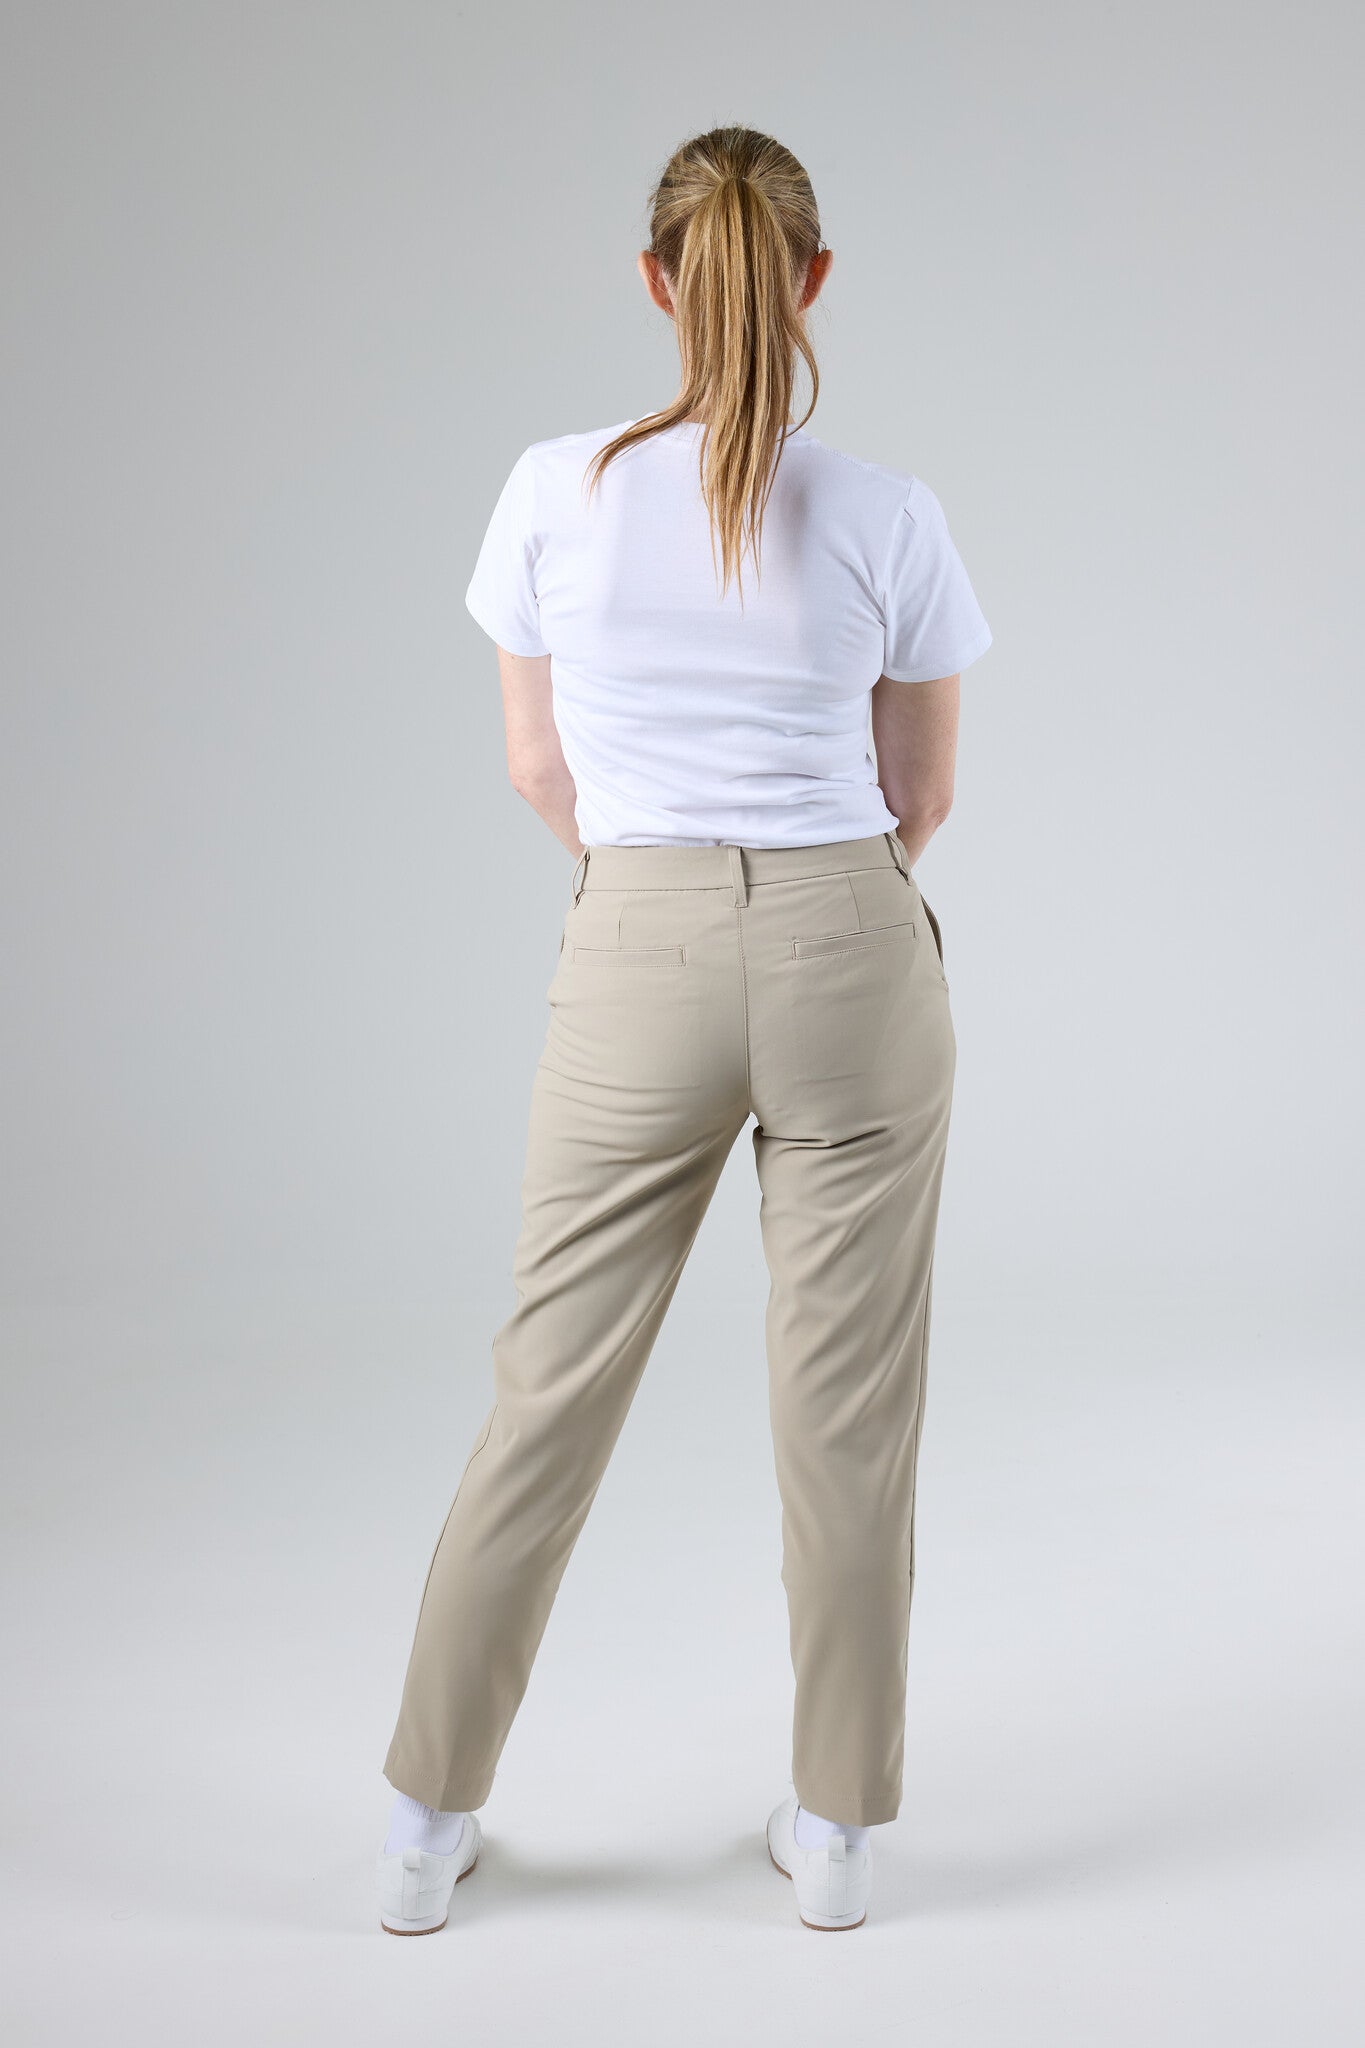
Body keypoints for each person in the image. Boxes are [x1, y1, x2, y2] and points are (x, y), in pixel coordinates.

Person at [374, 123, 992, 1937]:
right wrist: (801, 902)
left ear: (656, 279)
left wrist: (658, 893)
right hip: (846, 948)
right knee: (848, 1420)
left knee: (545, 1397)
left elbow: (535, 765)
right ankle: (839, 1839)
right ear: (813, 280)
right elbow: (919, 795)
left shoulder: (549, 489)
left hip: (630, 939)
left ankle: (420, 1826)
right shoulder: (886, 510)